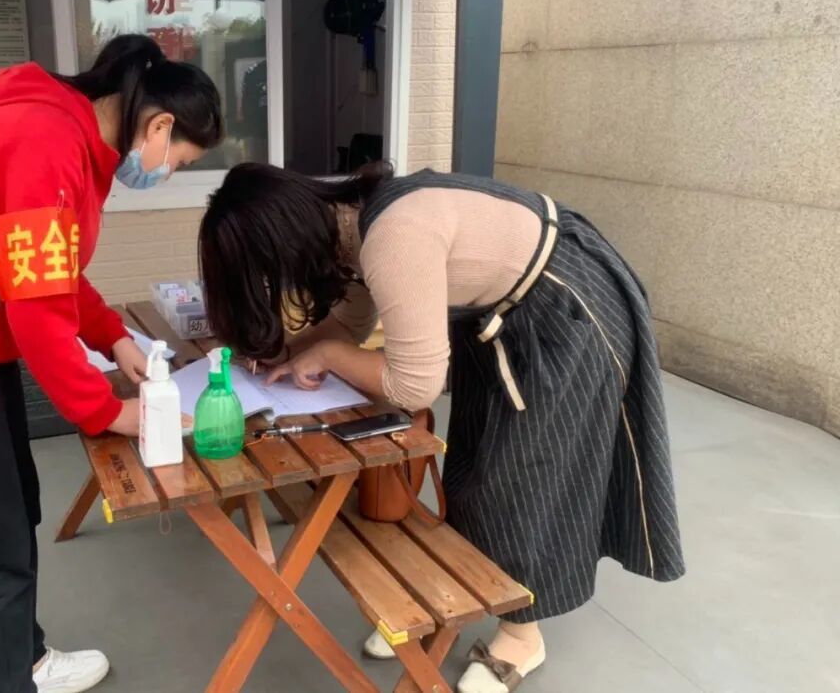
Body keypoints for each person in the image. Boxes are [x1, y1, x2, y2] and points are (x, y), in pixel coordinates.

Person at [199, 163, 685, 693]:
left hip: (568, 306)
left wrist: (330, 356)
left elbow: (412, 387)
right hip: (501, 316)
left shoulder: (392, 237)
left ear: (285, 245)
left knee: (526, 473)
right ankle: (450, 607)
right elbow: (350, 326)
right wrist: (287, 357)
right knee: (471, 467)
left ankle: (522, 637)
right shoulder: (348, 224)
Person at [0, 35, 222, 693]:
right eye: (179, 160)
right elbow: (37, 312)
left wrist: (114, 338)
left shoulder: (63, 134)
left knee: (11, 504)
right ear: (160, 126)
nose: (166, 172)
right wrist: (105, 411)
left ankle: (26, 659)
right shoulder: (45, 142)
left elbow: (54, 272)